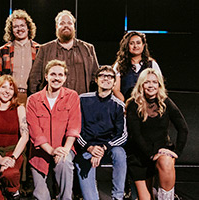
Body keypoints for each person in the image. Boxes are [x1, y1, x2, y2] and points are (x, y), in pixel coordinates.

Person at [125, 68, 188, 199]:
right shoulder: (133, 104)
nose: (151, 85)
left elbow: (183, 129)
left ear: (159, 84)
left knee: (166, 160)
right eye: (147, 82)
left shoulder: (166, 102)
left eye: (154, 82)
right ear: (141, 85)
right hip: (139, 156)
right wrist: (150, 154)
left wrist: (177, 152)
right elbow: (136, 135)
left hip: (160, 151)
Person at [26, 59, 81, 199]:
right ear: (46, 76)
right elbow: (35, 131)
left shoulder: (72, 96)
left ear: (65, 77)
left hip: (64, 149)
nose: (56, 78)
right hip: (40, 152)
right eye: (53, 74)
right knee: (41, 196)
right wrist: (51, 150)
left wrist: (64, 151)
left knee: (64, 163)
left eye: (60, 75)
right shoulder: (33, 100)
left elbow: (74, 127)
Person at [75, 65, 127, 200]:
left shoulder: (119, 105)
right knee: (90, 198)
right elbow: (76, 129)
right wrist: (89, 147)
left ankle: (118, 197)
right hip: (87, 147)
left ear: (114, 82)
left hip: (109, 147)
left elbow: (122, 134)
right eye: (102, 75)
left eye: (110, 77)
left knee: (120, 153)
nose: (106, 79)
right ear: (96, 80)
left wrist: (103, 148)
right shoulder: (82, 99)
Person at [28, 10, 99, 95]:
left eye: (69, 23)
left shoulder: (88, 49)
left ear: (74, 27)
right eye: (62, 23)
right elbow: (34, 79)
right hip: (52, 104)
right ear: (56, 26)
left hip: (82, 104)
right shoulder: (44, 49)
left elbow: (96, 77)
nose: (66, 26)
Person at [0, 9, 39, 104]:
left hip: (33, 97)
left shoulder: (39, 50)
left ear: (28, 27)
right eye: (15, 26)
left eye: (22, 25)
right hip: (10, 97)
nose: (19, 29)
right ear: (11, 30)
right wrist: (5, 93)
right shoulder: (4, 50)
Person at [113, 31, 162, 102]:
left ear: (143, 45)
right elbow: (115, 89)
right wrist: (125, 104)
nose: (135, 46)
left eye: (138, 43)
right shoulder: (119, 64)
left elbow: (159, 86)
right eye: (131, 43)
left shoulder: (152, 64)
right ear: (127, 46)